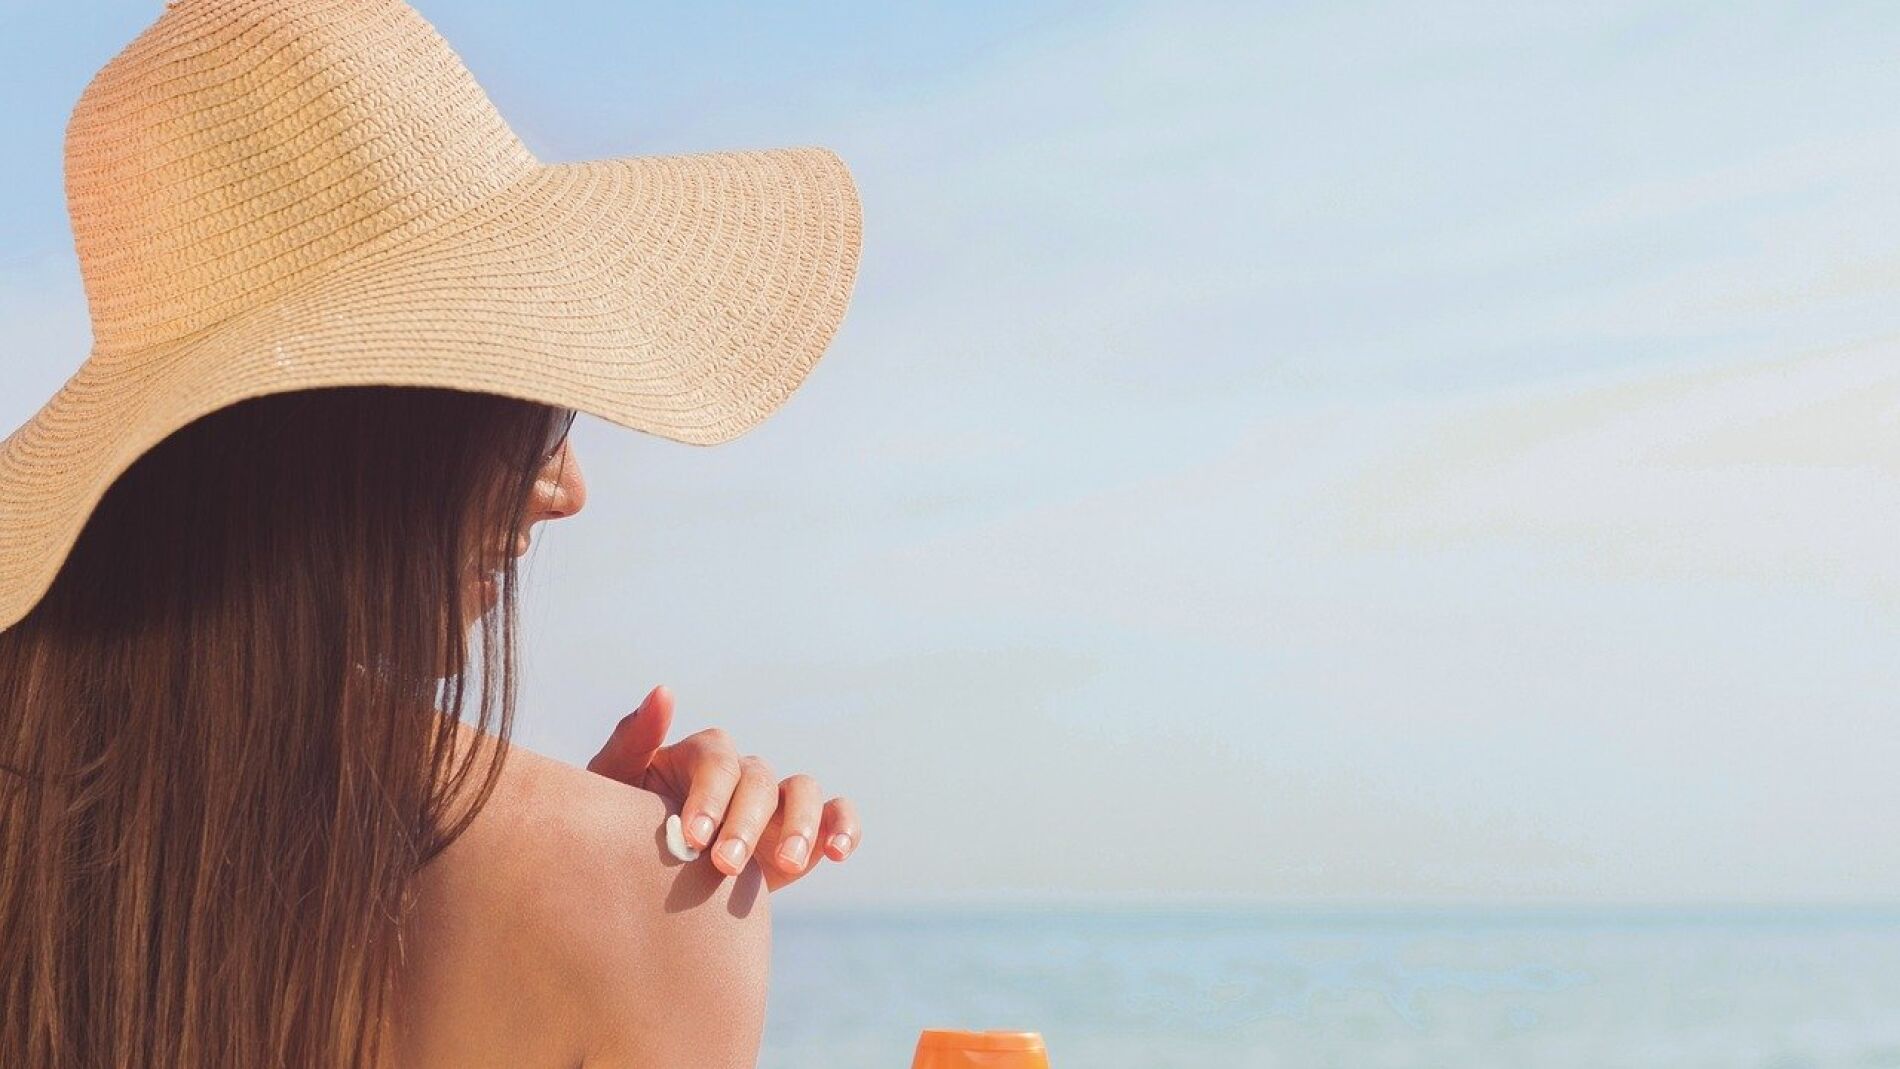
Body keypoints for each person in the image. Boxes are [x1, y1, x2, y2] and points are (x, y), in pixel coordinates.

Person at [0, 1, 865, 1066]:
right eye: (531, 411)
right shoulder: (643, 896)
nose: (568, 488)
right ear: (365, 438)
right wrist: (613, 880)